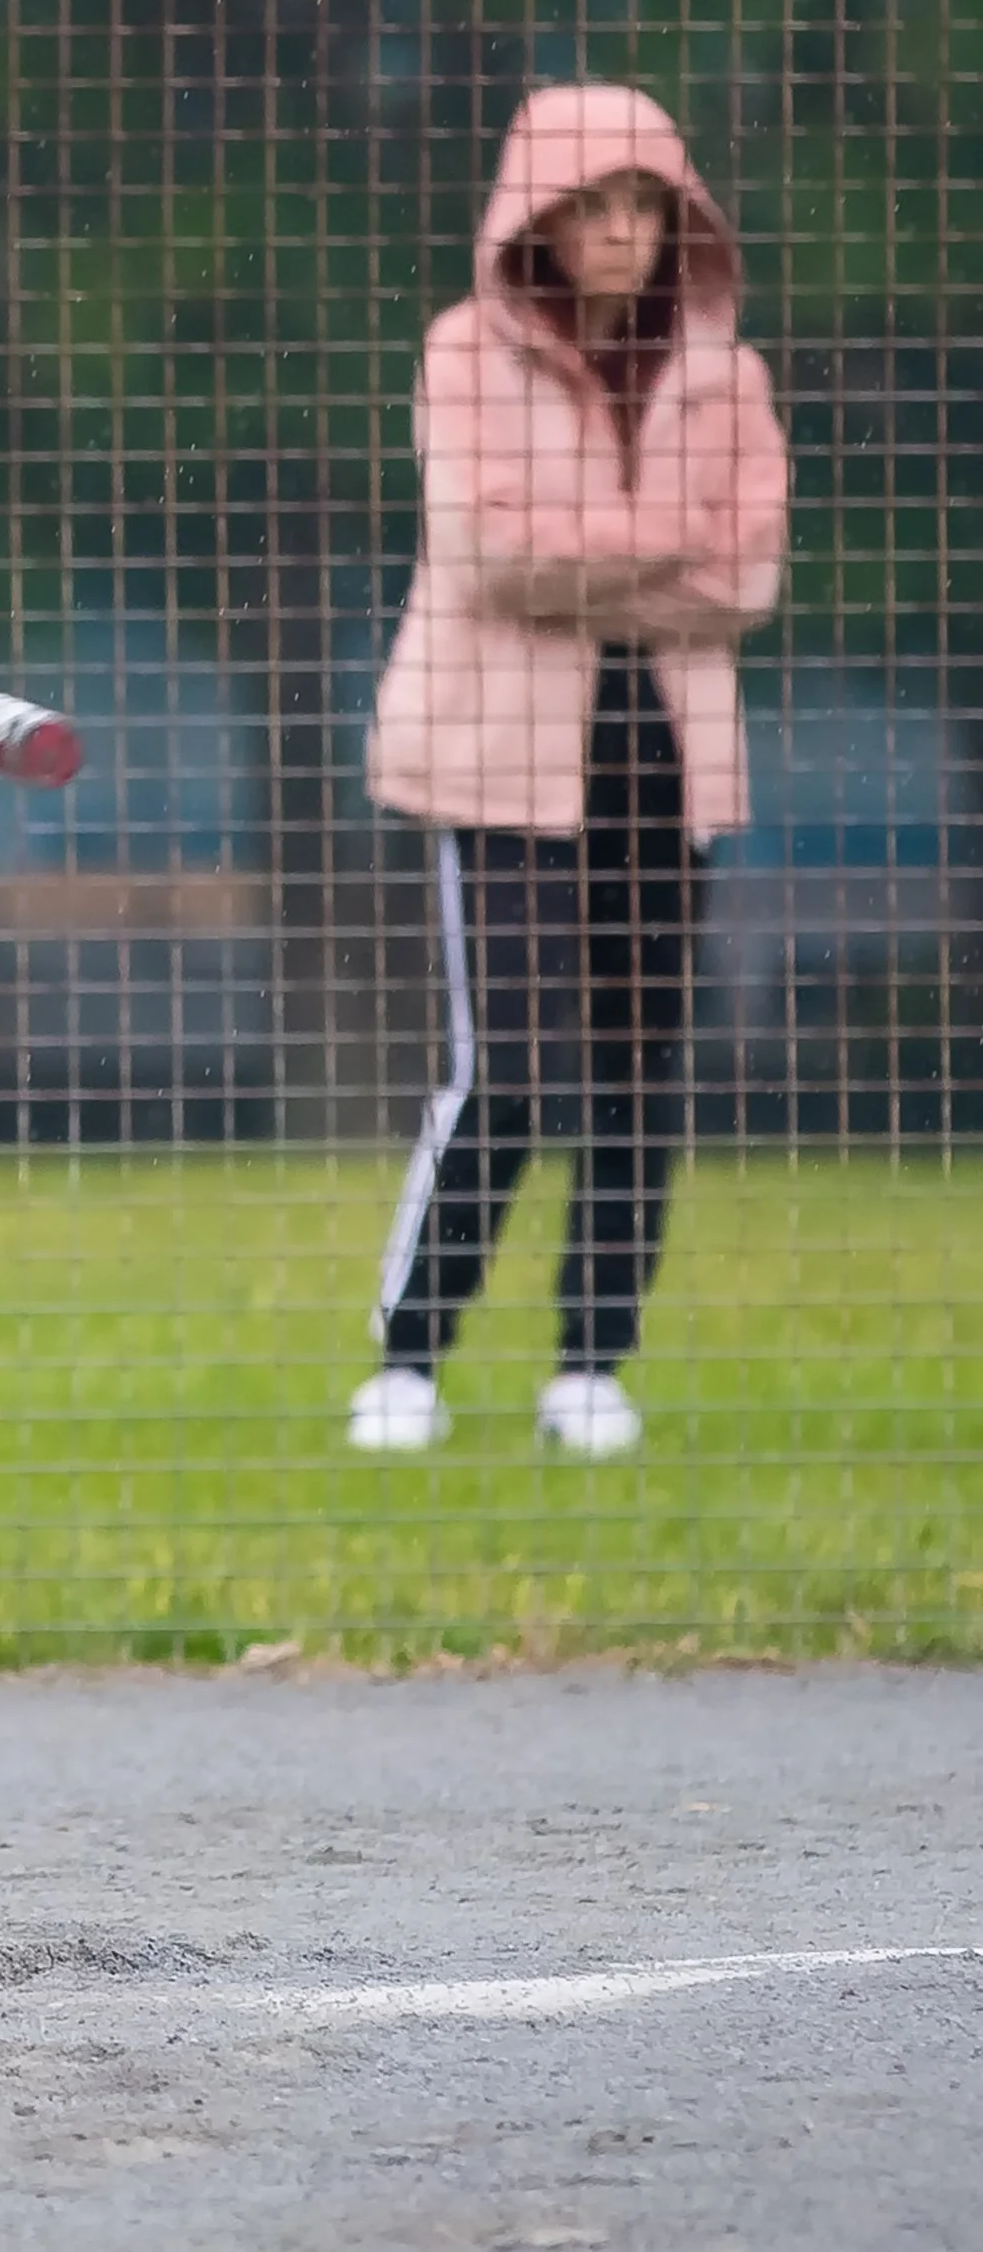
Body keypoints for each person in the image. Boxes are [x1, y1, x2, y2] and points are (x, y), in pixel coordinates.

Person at [349, 87, 788, 1459]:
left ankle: (592, 1364)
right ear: (536, 220)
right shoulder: (463, 355)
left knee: (644, 1068)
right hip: (498, 766)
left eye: (644, 210)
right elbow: (493, 557)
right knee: (517, 1070)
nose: (620, 236)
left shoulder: (732, 375)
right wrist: (663, 542)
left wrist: (595, 551)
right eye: (593, 209)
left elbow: (747, 577)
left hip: (666, 762)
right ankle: (411, 1357)